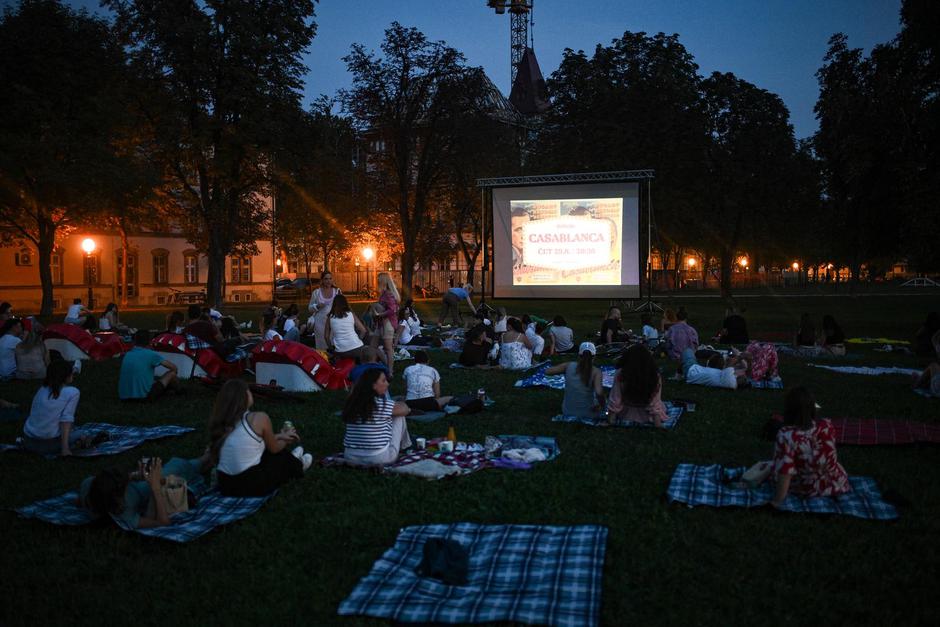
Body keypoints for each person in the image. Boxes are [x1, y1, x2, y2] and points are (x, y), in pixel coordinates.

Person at [210, 379, 311, 497]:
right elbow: (274, 448)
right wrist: (287, 439)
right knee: (279, 456)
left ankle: (293, 459)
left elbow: (252, 442)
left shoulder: (224, 422)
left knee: (265, 451)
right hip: (248, 485)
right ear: (244, 396)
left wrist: (280, 435)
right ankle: (297, 464)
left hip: (225, 484)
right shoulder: (258, 418)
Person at [771, 387, 850, 506]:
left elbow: (785, 472)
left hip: (806, 487)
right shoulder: (826, 425)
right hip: (835, 483)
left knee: (772, 468)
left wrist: (777, 501)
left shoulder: (786, 435)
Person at [80, 455, 207, 528]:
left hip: (139, 484)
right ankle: (205, 459)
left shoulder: (89, 484)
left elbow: (113, 481)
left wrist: (136, 475)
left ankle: (203, 461)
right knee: (175, 469)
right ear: (118, 495)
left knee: (172, 470)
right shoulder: (123, 512)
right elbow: (163, 523)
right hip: (145, 491)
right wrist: (155, 487)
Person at [342, 368, 412, 466]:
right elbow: (405, 409)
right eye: (383, 380)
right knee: (399, 416)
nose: (387, 384)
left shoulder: (351, 404)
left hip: (350, 457)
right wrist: (403, 406)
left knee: (392, 413)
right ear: (373, 385)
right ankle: (405, 446)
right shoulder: (380, 404)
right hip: (379, 458)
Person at [21, 360, 86, 455]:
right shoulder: (73, 392)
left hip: (28, 442)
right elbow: (66, 420)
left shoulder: (42, 389)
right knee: (82, 434)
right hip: (48, 445)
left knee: (72, 429)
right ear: (67, 376)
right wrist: (65, 449)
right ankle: (72, 444)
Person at [607, 344, 668, 427]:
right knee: (662, 405)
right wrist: (657, 423)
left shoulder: (621, 374)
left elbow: (616, 398)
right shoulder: (654, 375)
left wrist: (611, 420)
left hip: (626, 414)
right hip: (647, 416)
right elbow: (655, 402)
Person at [545, 342, 604, 420]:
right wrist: (602, 406)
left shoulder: (568, 365)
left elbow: (548, 371)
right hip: (590, 414)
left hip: (567, 411)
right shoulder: (596, 372)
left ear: (579, 355)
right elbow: (599, 393)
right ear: (594, 356)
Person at [119, 330, 180, 401]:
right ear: (150, 342)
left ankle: (169, 390)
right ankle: (178, 391)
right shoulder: (151, 354)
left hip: (124, 397)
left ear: (134, 341)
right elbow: (173, 367)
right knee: (172, 373)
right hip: (144, 397)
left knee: (153, 380)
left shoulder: (127, 354)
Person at [326, 293, 368, 360]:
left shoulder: (329, 317)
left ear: (334, 304)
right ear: (345, 303)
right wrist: (358, 340)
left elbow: (326, 336)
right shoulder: (351, 314)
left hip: (341, 351)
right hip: (357, 348)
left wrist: (331, 349)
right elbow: (363, 330)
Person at [374, 272, 400, 376]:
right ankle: (385, 365)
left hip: (388, 324)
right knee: (373, 346)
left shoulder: (389, 294)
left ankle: (390, 371)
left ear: (384, 281)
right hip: (381, 324)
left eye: (379, 279)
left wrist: (380, 314)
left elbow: (392, 310)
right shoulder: (384, 293)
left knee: (388, 348)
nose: (377, 281)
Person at [307, 271, 341, 350]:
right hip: (320, 323)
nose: (328, 281)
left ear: (332, 280)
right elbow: (310, 308)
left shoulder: (337, 291)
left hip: (334, 321)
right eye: (326, 279)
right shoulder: (316, 292)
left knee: (334, 342)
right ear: (322, 280)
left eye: (330, 278)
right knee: (321, 344)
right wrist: (317, 306)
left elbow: (342, 305)